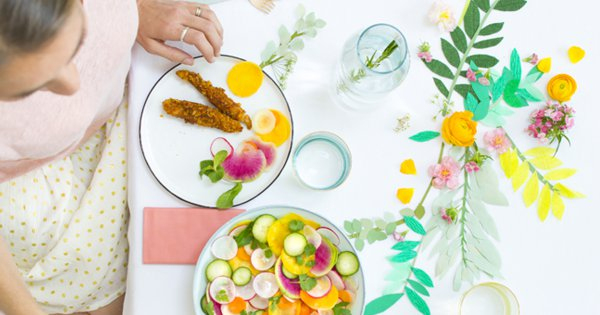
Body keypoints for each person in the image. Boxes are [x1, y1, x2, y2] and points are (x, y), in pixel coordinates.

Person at [0, 0, 223, 314]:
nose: (74, 84)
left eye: (78, 42)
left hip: (120, 108)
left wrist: (134, 6)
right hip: (37, 188)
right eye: (31, 89)